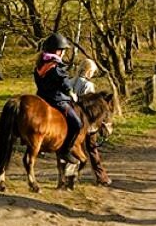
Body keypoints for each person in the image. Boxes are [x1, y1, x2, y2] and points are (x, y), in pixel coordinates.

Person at [35, 32, 84, 177]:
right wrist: (71, 92)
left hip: (41, 98)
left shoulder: (40, 64)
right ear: (57, 50)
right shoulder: (55, 66)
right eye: (62, 50)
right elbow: (64, 83)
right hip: (57, 100)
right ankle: (65, 150)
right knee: (77, 124)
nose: (63, 53)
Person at [68, 58, 112, 187]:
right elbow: (92, 106)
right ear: (88, 71)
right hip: (86, 121)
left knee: (74, 147)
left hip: (72, 118)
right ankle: (101, 177)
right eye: (92, 71)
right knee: (92, 149)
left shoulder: (71, 81)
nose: (93, 74)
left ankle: (71, 175)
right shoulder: (88, 85)